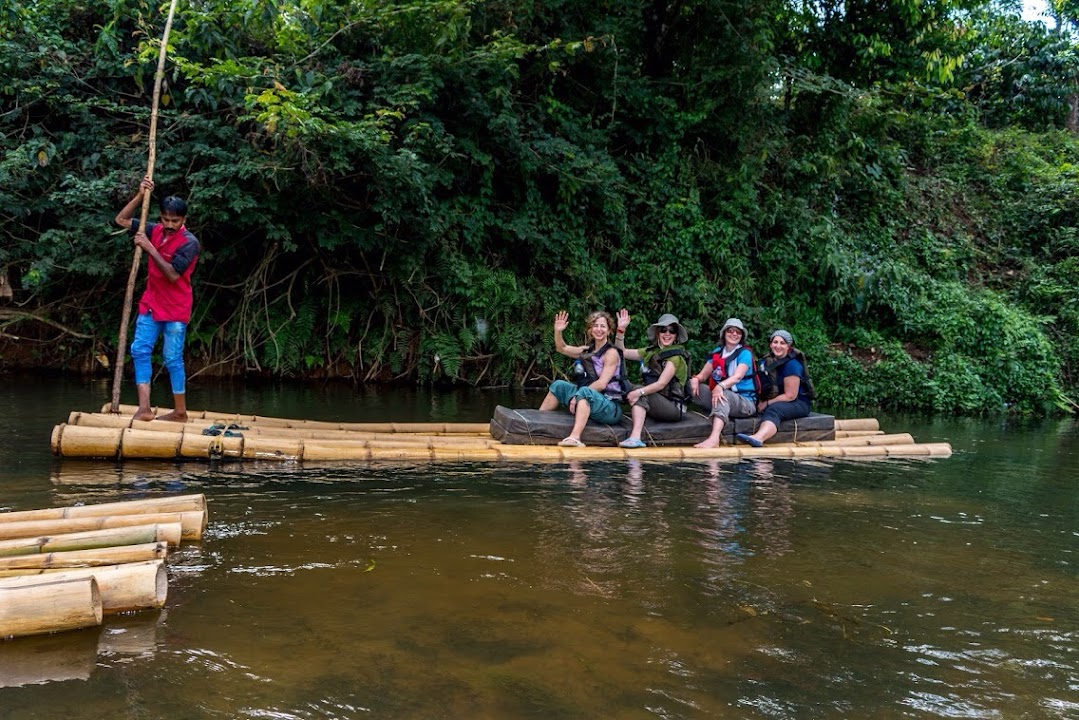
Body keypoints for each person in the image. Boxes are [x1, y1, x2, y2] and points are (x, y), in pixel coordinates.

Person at [114, 177, 199, 422]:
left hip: (176, 308)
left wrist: (149, 247)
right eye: (166, 219)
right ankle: (144, 408)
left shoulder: (189, 243)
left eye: (175, 221)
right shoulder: (154, 229)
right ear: (160, 216)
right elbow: (120, 220)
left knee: (172, 358)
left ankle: (180, 411)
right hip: (151, 304)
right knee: (140, 350)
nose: (170, 225)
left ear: (184, 220)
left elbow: (172, 274)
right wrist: (140, 197)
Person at [539, 310, 626, 447]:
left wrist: (579, 395)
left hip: (609, 407)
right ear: (590, 330)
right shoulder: (586, 351)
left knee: (584, 391)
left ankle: (575, 438)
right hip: (588, 397)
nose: (599, 329)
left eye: (603, 326)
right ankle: (538, 423)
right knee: (558, 385)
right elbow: (561, 348)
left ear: (609, 331)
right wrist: (558, 331)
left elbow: (602, 383)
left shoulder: (611, 353)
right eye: (595, 326)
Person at [613, 310, 691, 449]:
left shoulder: (675, 357)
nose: (667, 334)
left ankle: (635, 437)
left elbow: (661, 384)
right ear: (657, 333)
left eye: (671, 331)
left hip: (673, 407)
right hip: (658, 400)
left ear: (676, 335)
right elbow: (622, 353)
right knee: (625, 385)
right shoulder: (651, 352)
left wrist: (639, 392)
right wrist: (620, 331)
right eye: (663, 330)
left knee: (638, 391)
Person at [688, 318, 758, 448]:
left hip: (745, 402)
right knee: (690, 386)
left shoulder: (745, 354)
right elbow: (703, 375)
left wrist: (720, 386)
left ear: (742, 336)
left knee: (722, 394)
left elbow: (737, 377)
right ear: (724, 334)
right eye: (730, 331)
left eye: (738, 332)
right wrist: (696, 379)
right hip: (723, 396)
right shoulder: (717, 353)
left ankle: (714, 438)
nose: (734, 334)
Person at [736, 329, 811, 447]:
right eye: (775, 342)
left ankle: (758, 438)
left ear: (788, 346)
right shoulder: (766, 361)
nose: (778, 346)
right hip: (777, 399)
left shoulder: (792, 365)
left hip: (798, 402)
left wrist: (767, 403)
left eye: (782, 343)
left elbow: (790, 396)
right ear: (770, 344)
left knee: (774, 410)